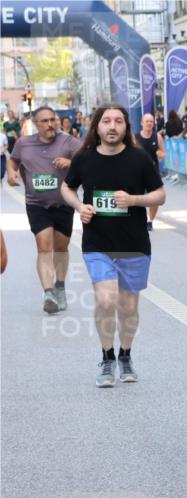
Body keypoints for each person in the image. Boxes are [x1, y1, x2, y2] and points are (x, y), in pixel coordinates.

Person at [60, 104, 165, 387]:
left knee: (128, 306)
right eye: (106, 121)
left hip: (133, 243)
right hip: (98, 243)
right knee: (106, 300)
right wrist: (79, 206)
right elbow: (67, 187)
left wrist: (134, 200)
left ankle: (125, 355)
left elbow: (160, 194)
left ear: (126, 127)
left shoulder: (139, 158)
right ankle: (107, 357)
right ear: (97, 126)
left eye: (118, 121)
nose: (112, 126)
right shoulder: (84, 158)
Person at [8, 106, 82, 313]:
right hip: (36, 204)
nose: (50, 124)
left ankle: (60, 286)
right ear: (36, 124)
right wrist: (12, 173)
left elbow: (89, 158)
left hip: (64, 203)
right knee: (44, 245)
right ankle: (48, 293)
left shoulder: (68, 142)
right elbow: (13, 161)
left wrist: (70, 161)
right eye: (45, 121)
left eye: (53, 120)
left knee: (61, 248)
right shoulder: (24, 143)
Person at [135, 113, 166, 231]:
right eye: (147, 121)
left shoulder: (157, 137)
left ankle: (150, 220)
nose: (149, 123)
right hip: (138, 173)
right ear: (142, 123)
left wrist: (160, 154)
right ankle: (139, 218)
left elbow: (163, 153)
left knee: (155, 199)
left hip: (153, 173)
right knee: (137, 197)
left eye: (151, 121)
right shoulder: (135, 138)